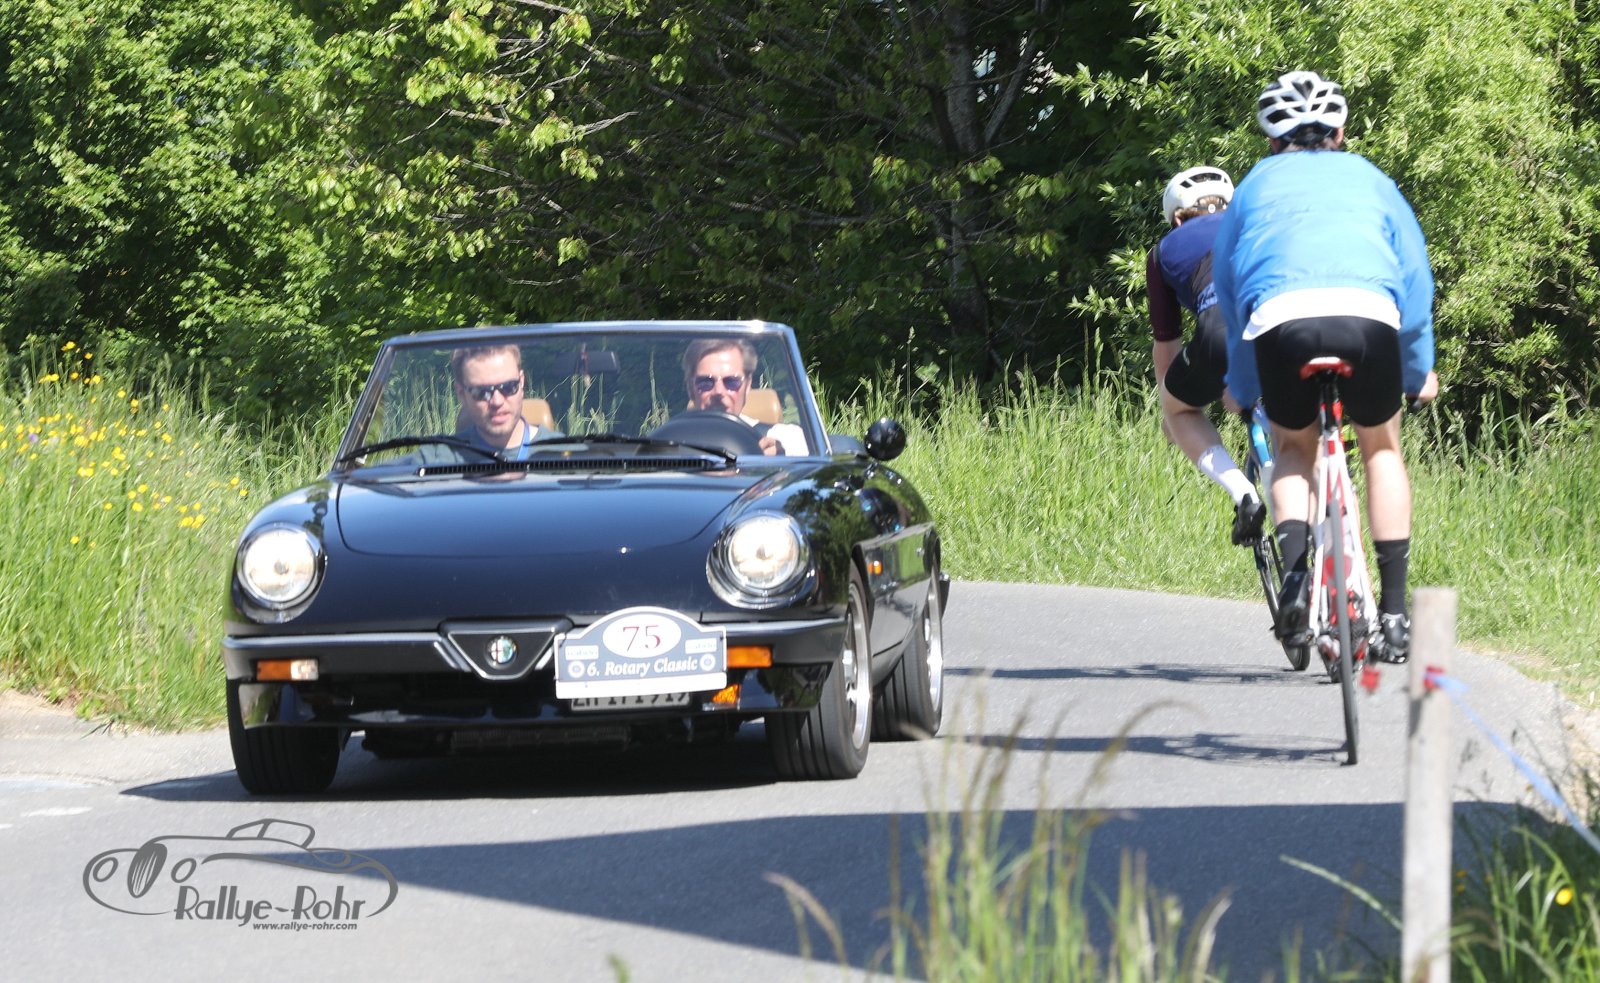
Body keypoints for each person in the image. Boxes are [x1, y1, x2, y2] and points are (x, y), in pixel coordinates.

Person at [1212, 70, 1440, 664]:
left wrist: (1242, 384)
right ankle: (1394, 615)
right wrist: (1418, 370)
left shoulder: (1253, 188)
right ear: (1339, 132)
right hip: (1369, 319)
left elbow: (1231, 296)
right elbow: (1416, 277)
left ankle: (1295, 579)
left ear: (1271, 141)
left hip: (1282, 323)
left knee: (1293, 451)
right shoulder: (1372, 179)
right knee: (1381, 450)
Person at [1147, 165, 1266, 547]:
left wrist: (1171, 410)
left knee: (1179, 409)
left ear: (1178, 219)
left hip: (1221, 329)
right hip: (1287, 320)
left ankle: (1243, 492)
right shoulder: (1256, 223)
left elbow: (1167, 344)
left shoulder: (1163, 252)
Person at [682, 338, 808, 456]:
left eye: (731, 382)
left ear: (747, 386)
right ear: (690, 388)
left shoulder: (788, 439)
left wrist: (778, 462)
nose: (719, 391)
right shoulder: (673, 444)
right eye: (705, 382)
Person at [450, 343, 561, 459]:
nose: (497, 401)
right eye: (482, 392)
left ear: (521, 382)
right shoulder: (442, 460)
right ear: (461, 394)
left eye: (508, 387)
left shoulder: (564, 456)